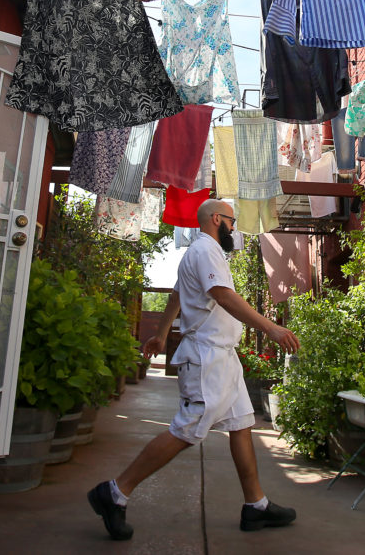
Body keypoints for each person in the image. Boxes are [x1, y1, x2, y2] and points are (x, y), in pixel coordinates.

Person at [88, 198, 301, 541]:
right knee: (187, 430)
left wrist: (159, 335)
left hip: (222, 358)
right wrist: (270, 328)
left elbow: (176, 295)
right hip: (206, 357)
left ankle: (256, 505)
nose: (234, 228)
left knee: (242, 423)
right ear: (217, 219)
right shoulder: (206, 251)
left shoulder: (202, 253)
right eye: (232, 221)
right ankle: (114, 491)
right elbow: (222, 294)